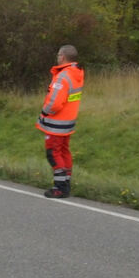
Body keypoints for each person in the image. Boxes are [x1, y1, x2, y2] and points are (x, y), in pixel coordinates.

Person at [36, 44, 84, 198]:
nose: (57, 58)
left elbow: (55, 102)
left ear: (62, 57)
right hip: (68, 122)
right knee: (64, 152)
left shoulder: (63, 76)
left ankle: (60, 188)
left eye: (58, 55)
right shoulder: (77, 74)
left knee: (53, 154)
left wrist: (45, 111)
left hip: (55, 124)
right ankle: (66, 183)